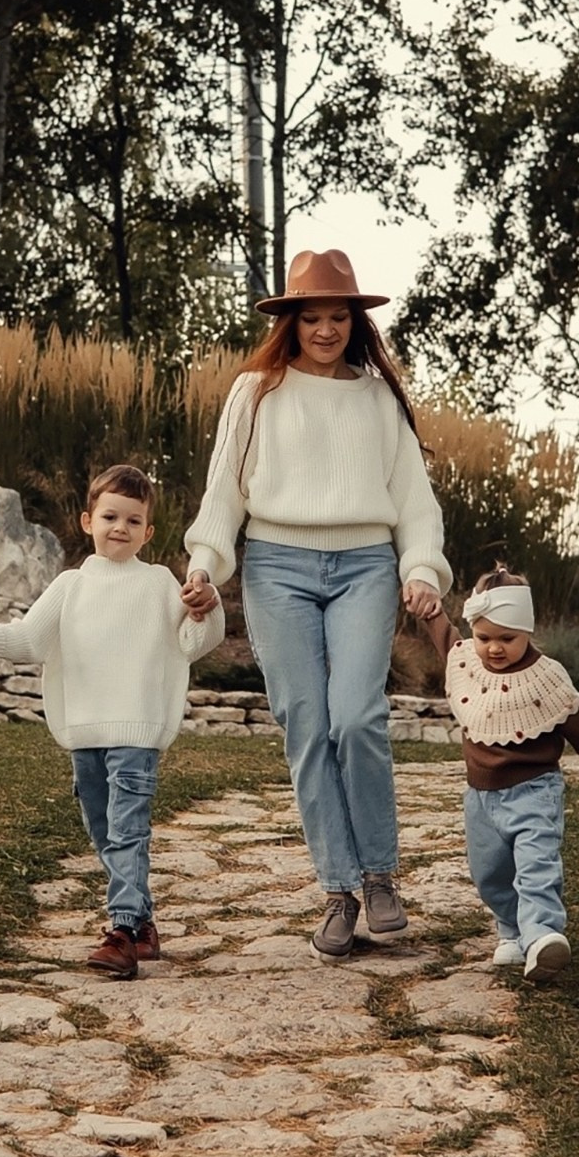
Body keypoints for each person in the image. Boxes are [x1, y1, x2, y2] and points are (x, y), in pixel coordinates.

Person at [180, 248, 450, 962]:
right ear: (290, 323)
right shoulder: (256, 391)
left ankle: (381, 875)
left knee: (356, 717)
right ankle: (339, 891)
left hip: (364, 564)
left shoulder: (380, 398)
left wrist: (421, 568)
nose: (326, 329)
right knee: (305, 720)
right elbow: (223, 494)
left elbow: (415, 503)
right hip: (276, 566)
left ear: (355, 323)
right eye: (313, 318)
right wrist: (204, 566)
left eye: (339, 317)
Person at [0, 465, 223, 979]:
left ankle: (123, 930)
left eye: (134, 520)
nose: (120, 527)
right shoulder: (71, 586)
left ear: (148, 532)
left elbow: (192, 643)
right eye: (110, 516)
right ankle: (145, 925)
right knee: (104, 832)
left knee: (127, 831)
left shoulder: (160, 584)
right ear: (87, 520)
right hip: (84, 735)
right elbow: (28, 641)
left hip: (136, 734)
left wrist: (208, 609)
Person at [423, 566, 579, 983]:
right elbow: (445, 636)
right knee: (489, 872)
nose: (495, 649)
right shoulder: (469, 662)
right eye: (485, 638)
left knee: (536, 864)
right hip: (480, 797)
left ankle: (543, 936)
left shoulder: (546, 678)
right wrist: (430, 610)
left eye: (507, 638)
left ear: (527, 631)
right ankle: (512, 930)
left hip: (534, 790)